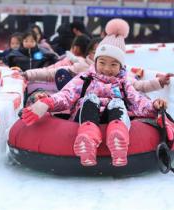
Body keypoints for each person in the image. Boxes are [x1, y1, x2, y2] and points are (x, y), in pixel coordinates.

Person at [20, 19, 169, 167]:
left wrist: (154, 105)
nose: (107, 68)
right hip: (86, 115)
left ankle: (118, 138)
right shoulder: (85, 78)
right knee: (91, 98)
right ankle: (87, 138)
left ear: (121, 66)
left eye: (113, 64)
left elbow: (138, 100)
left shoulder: (124, 84)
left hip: (111, 117)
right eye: (102, 62)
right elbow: (67, 94)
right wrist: (48, 102)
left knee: (117, 102)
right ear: (96, 61)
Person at [21, 35, 91, 83]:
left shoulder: (71, 60)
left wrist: (27, 74)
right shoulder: (76, 61)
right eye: (26, 41)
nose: (29, 43)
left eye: (32, 41)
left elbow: (51, 72)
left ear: (76, 48)